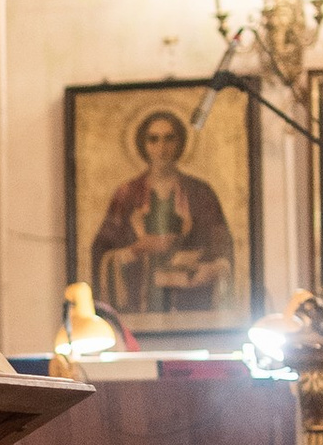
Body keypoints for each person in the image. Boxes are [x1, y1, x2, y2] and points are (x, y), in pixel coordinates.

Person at [90, 103, 235, 325]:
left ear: (180, 143)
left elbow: (223, 249)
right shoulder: (127, 194)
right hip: (137, 307)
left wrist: (207, 267)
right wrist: (138, 249)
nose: (162, 147)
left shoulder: (200, 192)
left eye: (169, 138)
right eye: (153, 139)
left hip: (191, 311)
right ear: (143, 144)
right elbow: (102, 253)